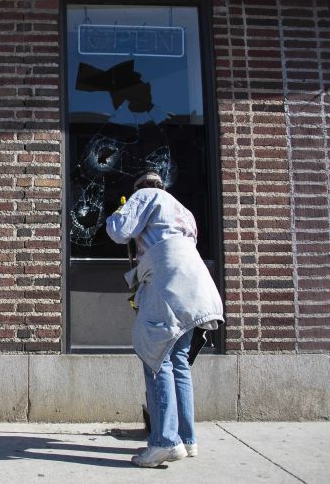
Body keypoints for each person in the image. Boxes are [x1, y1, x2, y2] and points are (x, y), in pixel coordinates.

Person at [105, 170, 224, 468]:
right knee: (179, 361)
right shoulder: (182, 208)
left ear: (140, 188)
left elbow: (118, 231)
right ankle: (187, 438)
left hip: (167, 282)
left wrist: (120, 210)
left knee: (156, 357)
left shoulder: (146, 196)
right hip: (195, 283)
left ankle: (164, 443)